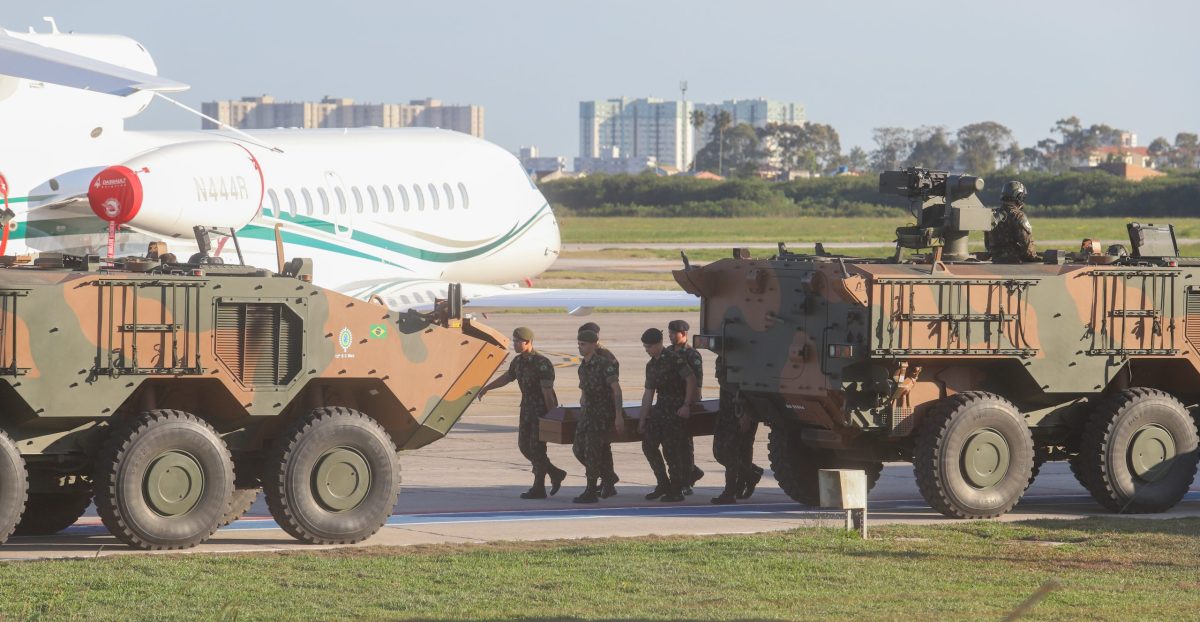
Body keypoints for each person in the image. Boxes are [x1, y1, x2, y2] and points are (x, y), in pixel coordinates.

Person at [476, 327, 567, 499]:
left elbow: (547, 392)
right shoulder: (518, 361)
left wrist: (552, 415)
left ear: (528, 342)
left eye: (518, 341)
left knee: (537, 449)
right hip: (526, 409)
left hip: (541, 411)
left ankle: (539, 487)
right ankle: (555, 472)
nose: (515, 344)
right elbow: (507, 377)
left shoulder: (542, 363)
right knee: (524, 447)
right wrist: (487, 388)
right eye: (514, 341)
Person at [638, 328, 696, 503]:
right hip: (660, 410)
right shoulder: (651, 365)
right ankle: (663, 483)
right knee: (648, 446)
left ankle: (676, 489)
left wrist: (686, 405)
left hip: (675, 411)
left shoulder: (674, 360)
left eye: (648, 346)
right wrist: (642, 419)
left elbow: (691, 379)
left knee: (672, 452)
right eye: (644, 346)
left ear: (658, 344)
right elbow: (648, 393)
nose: (646, 349)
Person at [571, 330, 624, 503]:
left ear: (594, 345)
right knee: (578, 449)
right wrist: (583, 403)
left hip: (601, 415)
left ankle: (591, 490)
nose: (580, 347)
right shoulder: (583, 367)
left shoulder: (604, 364)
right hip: (588, 413)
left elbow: (616, 390)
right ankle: (608, 476)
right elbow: (584, 390)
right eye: (579, 344)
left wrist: (618, 416)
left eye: (583, 344)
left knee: (592, 451)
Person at [710, 354, 763, 504]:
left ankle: (731, 491)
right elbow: (724, 381)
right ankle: (749, 475)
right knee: (722, 451)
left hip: (742, 411)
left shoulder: (752, 359)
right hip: (728, 410)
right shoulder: (724, 357)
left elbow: (752, 387)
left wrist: (745, 413)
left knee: (734, 450)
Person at [666, 320, 705, 495]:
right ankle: (689, 473)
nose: (671, 336)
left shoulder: (692, 355)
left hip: (685, 403)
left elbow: (696, 383)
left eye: (675, 333)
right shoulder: (667, 352)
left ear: (684, 334)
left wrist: (690, 405)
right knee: (671, 443)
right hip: (669, 404)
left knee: (684, 445)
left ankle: (687, 480)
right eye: (670, 333)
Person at [985, 180, 1039, 264]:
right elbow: (1027, 246)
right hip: (1014, 263)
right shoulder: (1018, 216)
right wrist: (1035, 258)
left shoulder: (992, 215)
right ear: (1019, 197)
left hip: (995, 261)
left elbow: (988, 244)